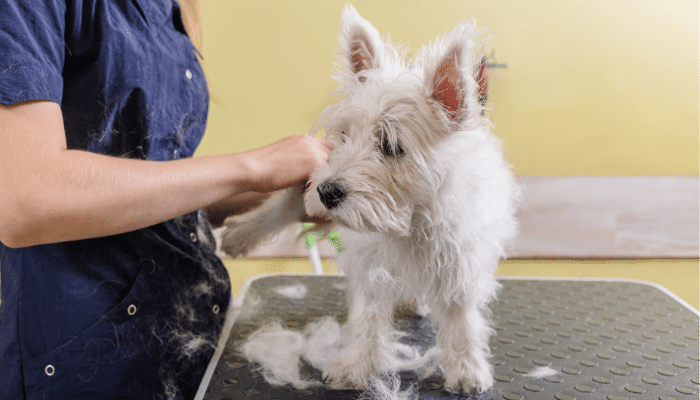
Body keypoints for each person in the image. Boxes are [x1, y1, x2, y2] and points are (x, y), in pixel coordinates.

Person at [0, 1, 334, 399]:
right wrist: (254, 166)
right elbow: (26, 202)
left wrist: (293, 191)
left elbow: (160, 188)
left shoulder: (170, 9)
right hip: (95, 359)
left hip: (186, 340)